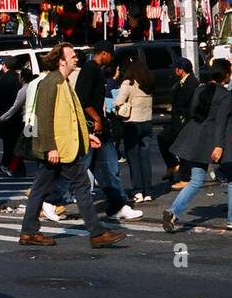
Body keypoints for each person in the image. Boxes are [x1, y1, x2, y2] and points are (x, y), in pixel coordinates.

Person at [18, 44, 126, 249]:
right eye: (72, 56)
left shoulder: (64, 81)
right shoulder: (51, 82)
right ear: (61, 60)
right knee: (81, 185)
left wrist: (86, 137)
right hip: (58, 148)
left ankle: (28, 232)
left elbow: (71, 117)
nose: (76, 59)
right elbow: (44, 117)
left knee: (40, 189)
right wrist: (51, 147)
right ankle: (97, 232)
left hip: (64, 146)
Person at [164, 58, 232, 233]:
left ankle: (173, 212)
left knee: (196, 181)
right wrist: (218, 146)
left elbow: (193, 112)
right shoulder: (225, 95)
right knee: (231, 179)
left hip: (194, 139)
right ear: (225, 74)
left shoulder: (200, 89)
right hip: (213, 141)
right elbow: (220, 123)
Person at [75, 41, 132, 219]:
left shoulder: (94, 70)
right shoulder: (90, 70)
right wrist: (97, 118)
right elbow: (82, 100)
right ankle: (51, 199)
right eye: (111, 55)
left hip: (100, 129)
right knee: (80, 168)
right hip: (93, 128)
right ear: (104, 53)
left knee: (106, 168)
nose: (112, 59)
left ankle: (117, 205)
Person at [115, 58, 156, 204]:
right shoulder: (148, 83)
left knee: (133, 158)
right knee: (145, 158)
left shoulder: (129, 83)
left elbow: (118, 102)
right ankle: (148, 191)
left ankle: (138, 191)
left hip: (132, 123)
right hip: (147, 122)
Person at [160, 57, 197, 188]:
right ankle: (172, 165)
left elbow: (185, 103)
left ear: (180, 70)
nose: (174, 71)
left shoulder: (191, 83)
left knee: (183, 147)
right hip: (177, 120)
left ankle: (185, 178)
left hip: (184, 121)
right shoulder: (181, 82)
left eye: (176, 68)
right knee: (163, 138)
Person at [0, 57, 24, 177]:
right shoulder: (18, 78)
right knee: (15, 141)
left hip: (4, 113)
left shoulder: (1, 78)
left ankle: (10, 165)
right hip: (16, 115)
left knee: (8, 142)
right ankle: (10, 164)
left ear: (5, 65)